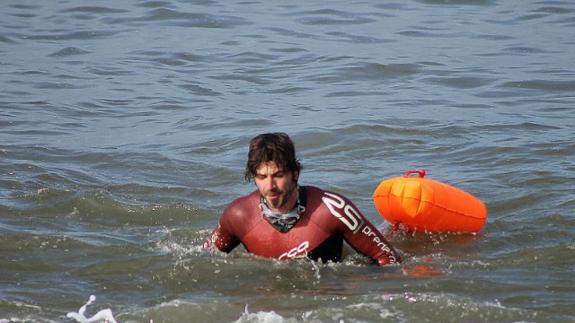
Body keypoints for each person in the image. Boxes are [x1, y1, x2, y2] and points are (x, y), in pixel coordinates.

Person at [204, 133, 401, 265]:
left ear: (295, 173)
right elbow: (201, 260)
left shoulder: (332, 209)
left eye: (278, 175)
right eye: (262, 177)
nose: (270, 186)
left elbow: (388, 259)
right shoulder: (238, 215)